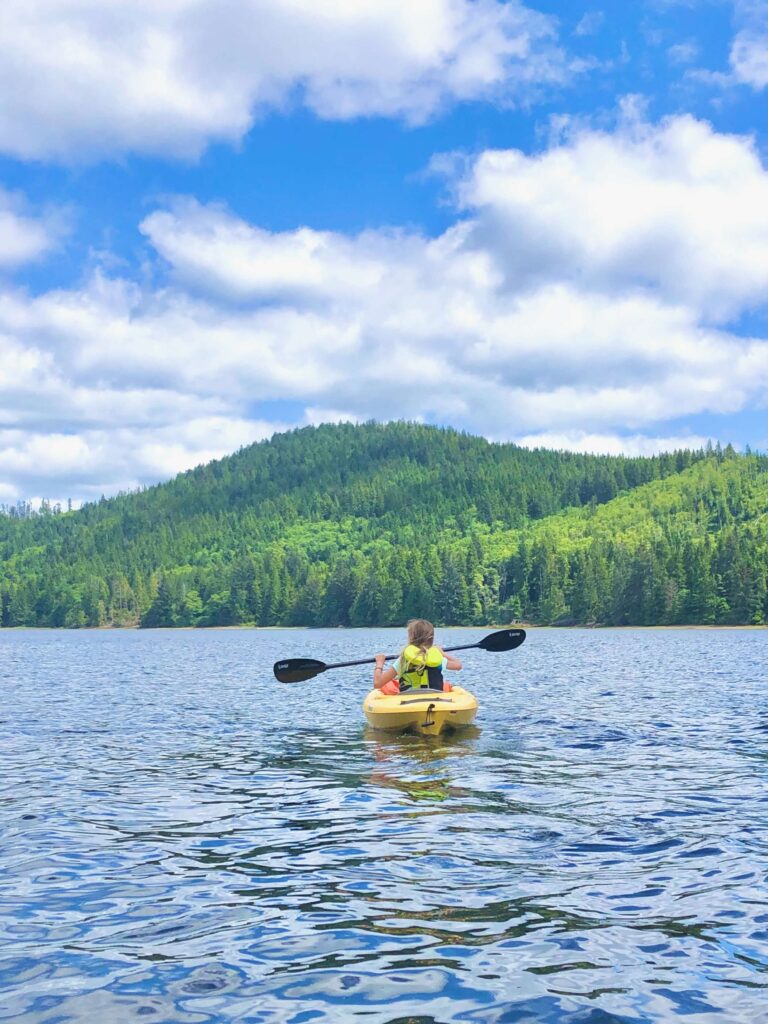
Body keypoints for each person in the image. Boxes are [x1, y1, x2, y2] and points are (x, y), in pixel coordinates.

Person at [373, 618, 462, 695]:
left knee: (387, 686)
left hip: (409, 701)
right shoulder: (437, 659)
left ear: (411, 638)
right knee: (446, 686)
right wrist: (442, 653)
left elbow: (377, 684)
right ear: (431, 639)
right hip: (435, 698)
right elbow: (458, 665)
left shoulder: (404, 660)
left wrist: (379, 664)